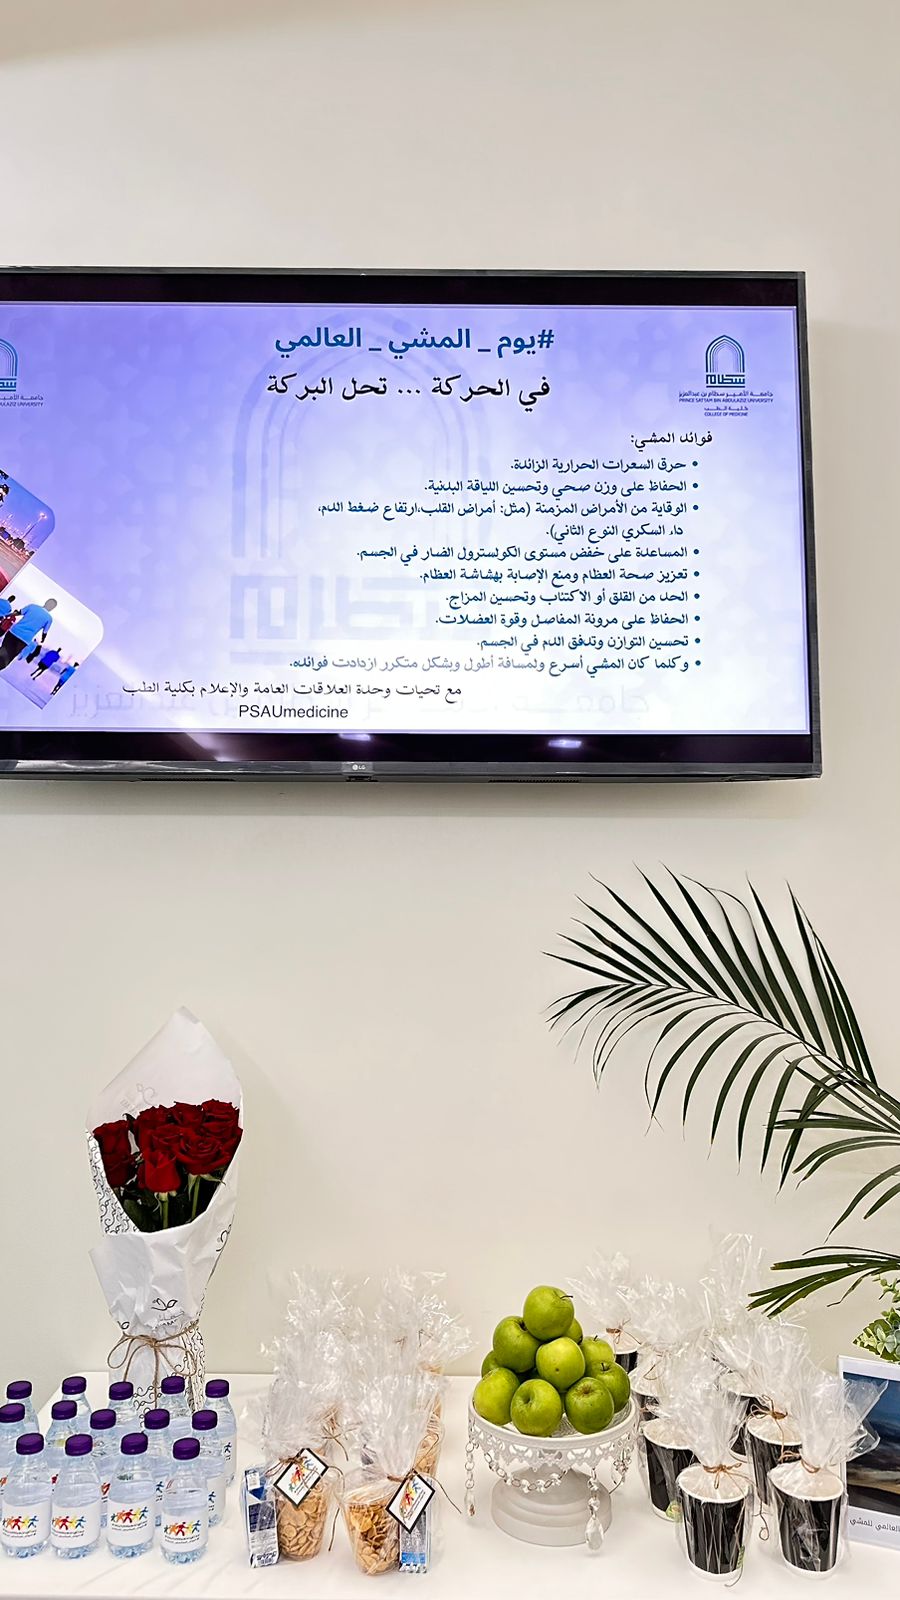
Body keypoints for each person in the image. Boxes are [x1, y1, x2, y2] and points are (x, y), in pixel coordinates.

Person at [0, 596, 56, 670]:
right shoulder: (49, 618)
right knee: (10, 656)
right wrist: (42, 640)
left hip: (13, 632)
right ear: (52, 608)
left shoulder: (32, 606)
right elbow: (45, 632)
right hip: (24, 640)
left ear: (46, 602)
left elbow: (18, 613)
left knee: (3, 650)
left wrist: (7, 615)